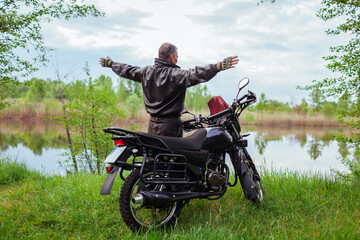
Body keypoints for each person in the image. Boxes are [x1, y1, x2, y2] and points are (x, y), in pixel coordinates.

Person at [99, 42, 238, 137]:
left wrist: (111, 64)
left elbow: (127, 70)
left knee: (154, 160)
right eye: (177, 56)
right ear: (172, 57)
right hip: (171, 125)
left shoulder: (146, 71)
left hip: (152, 124)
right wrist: (217, 67)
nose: (177, 59)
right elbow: (195, 74)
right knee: (176, 161)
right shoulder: (175, 75)